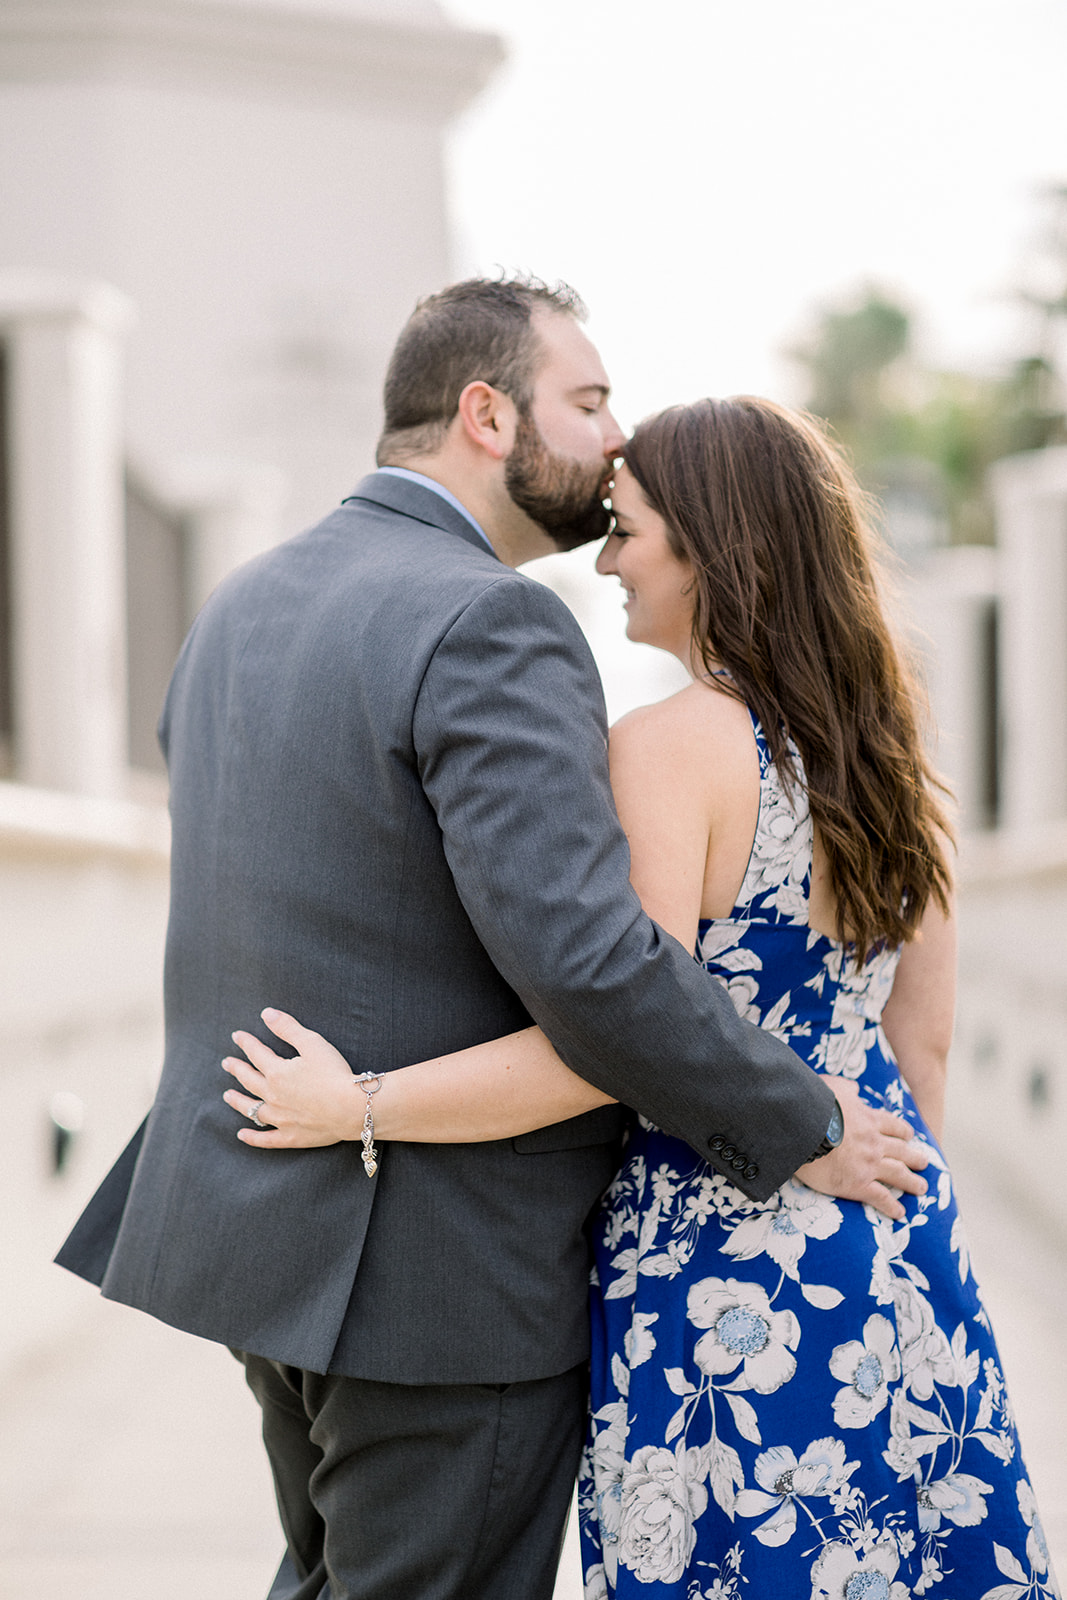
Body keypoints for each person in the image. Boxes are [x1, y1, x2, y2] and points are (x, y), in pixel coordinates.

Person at [55, 281, 924, 1600]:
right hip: (437, 1278)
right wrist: (799, 1120)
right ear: (484, 413)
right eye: (587, 401)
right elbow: (592, 966)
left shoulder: (241, 600)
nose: (614, 437)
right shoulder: (491, 620)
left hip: (260, 1237)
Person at [225, 396, 1059, 1600]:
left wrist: (354, 1104)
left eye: (627, 529)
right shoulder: (894, 762)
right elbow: (918, 1051)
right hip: (896, 1247)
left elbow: (614, 1033)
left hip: (719, 1269)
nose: (607, 561)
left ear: (714, 547)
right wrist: (878, 1227)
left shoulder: (671, 747)